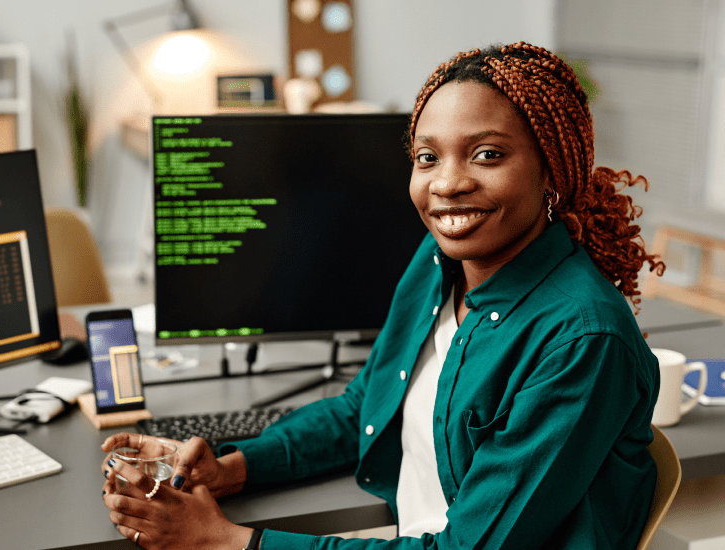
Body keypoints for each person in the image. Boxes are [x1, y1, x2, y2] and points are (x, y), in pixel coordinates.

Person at [101, 41, 666, 549]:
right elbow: (364, 411)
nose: (447, 183)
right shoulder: (439, 261)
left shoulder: (583, 340)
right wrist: (236, 467)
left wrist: (227, 543)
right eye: (428, 157)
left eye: (487, 154)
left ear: (552, 170)